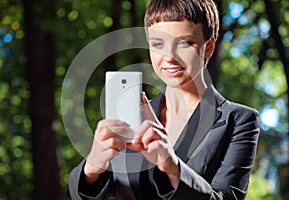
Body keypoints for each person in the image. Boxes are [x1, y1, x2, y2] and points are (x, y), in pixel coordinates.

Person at [69, 0, 260, 199]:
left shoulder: (239, 120)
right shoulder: (131, 116)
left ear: (209, 47)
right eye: (158, 44)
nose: (169, 57)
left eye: (184, 43)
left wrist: (172, 167)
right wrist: (91, 168)